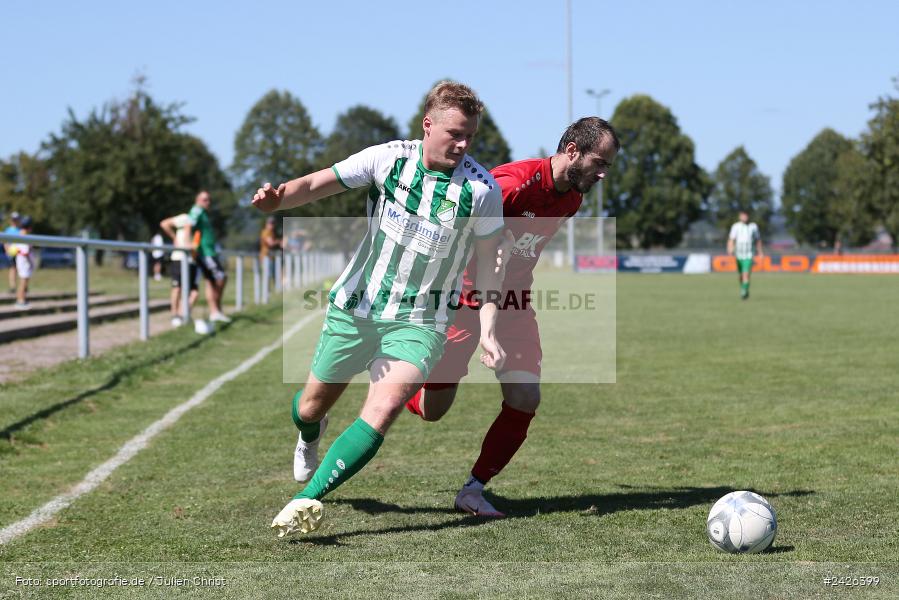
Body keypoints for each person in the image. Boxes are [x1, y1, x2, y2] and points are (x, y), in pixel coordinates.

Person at [257, 81, 508, 538]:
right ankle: (310, 435)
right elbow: (317, 183)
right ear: (427, 125)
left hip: (421, 321)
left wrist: (488, 328)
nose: (464, 144)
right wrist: (280, 200)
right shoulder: (388, 158)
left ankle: (305, 499)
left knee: (387, 405)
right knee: (311, 407)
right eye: (455, 133)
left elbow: (491, 263)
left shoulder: (481, 190)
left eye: (470, 135)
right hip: (357, 307)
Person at [404, 117, 620, 517]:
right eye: (599, 161)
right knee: (434, 411)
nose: (603, 172)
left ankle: (472, 489)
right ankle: (401, 389)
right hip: (463, 301)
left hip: (515, 305)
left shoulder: (571, 199)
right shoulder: (511, 183)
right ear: (572, 151)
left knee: (525, 397)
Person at [188, 191, 230, 322]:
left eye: (209, 200)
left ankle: (215, 311)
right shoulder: (196, 210)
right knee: (220, 278)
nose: (208, 202)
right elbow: (188, 225)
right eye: (204, 200)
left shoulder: (204, 213)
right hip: (205, 253)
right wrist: (189, 243)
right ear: (197, 200)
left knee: (212, 281)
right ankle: (215, 308)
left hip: (210, 252)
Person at [160, 212, 199, 327]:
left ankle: (183, 315)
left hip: (192, 260)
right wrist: (174, 238)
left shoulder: (201, 224)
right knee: (177, 288)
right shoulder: (185, 218)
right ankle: (175, 315)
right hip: (179, 258)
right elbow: (164, 224)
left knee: (194, 293)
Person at [726, 210, 763, 300]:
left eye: (746, 216)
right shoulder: (736, 226)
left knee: (746, 274)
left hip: (749, 254)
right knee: (741, 275)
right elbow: (731, 239)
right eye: (742, 216)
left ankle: (744, 292)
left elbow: (758, 240)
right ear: (740, 217)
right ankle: (744, 288)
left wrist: (760, 252)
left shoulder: (753, 226)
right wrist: (730, 249)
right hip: (738, 254)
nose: (744, 217)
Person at [11, 216, 34, 309]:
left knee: (24, 282)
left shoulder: (21, 234)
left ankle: (22, 299)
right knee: (23, 282)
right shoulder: (23, 236)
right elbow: (24, 251)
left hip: (24, 261)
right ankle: (20, 300)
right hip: (24, 262)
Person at [259, 216, 282, 289]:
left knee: (274, 274)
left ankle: (275, 288)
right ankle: (266, 291)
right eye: (270, 223)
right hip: (266, 256)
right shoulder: (265, 232)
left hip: (272, 257)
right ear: (267, 224)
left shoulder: (272, 233)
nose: (272, 225)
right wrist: (279, 241)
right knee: (267, 275)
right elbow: (270, 243)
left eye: (273, 223)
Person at [3, 211, 21, 293]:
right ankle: (13, 287)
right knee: (13, 269)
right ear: (11, 220)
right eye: (14, 219)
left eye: (16, 219)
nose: (15, 221)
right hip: (12, 253)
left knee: (21, 270)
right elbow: (5, 242)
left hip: (21, 253)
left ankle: (23, 286)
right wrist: (7, 251)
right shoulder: (8, 230)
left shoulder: (21, 230)